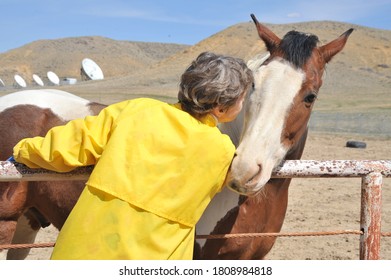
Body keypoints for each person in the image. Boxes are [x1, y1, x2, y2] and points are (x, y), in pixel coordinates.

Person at [12, 52, 254, 260]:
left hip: (86, 248)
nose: (243, 104)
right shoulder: (222, 150)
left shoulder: (137, 110)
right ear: (220, 108)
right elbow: (244, 179)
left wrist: (22, 152)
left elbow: (69, 144)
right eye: (242, 98)